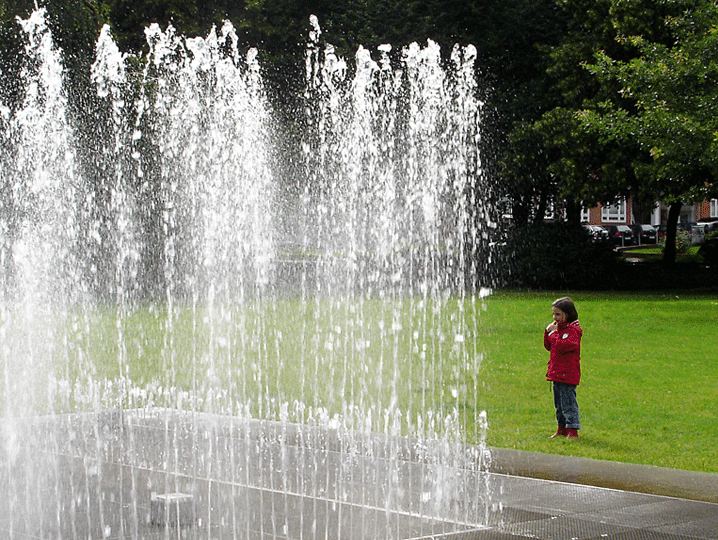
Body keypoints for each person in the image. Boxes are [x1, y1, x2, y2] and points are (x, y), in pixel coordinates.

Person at [543, 297, 583, 439]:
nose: (555, 317)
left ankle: (572, 430)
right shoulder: (559, 329)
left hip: (568, 375)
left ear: (568, 313)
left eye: (558, 314)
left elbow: (562, 346)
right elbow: (549, 346)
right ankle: (561, 428)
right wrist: (547, 332)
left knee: (568, 404)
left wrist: (553, 334)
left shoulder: (573, 331)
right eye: (553, 314)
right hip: (557, 373)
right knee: (559, 405)